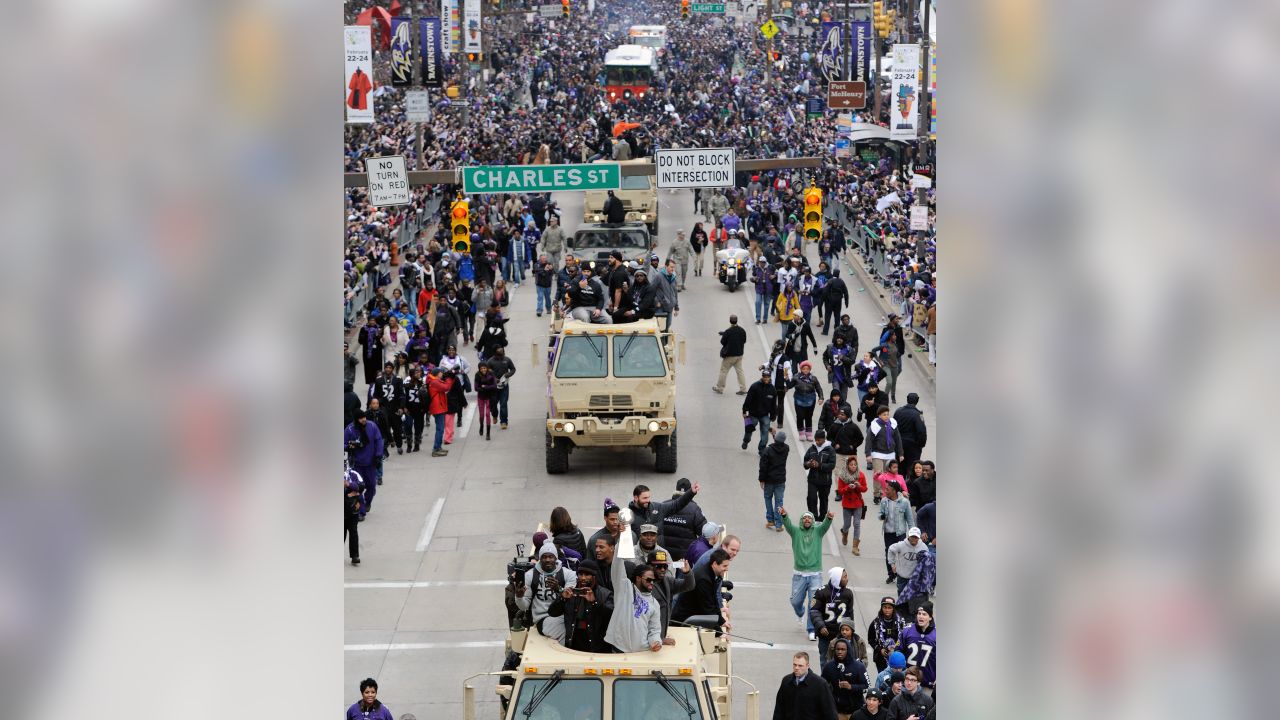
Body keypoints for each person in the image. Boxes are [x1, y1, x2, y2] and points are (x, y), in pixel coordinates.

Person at [780, 507, 834, 640]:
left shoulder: (818, 531)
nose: (807, 520)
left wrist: (829, 517)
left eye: (809, 518)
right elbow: (787, 524)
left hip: (815, 574)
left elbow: (826, 525)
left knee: (813, 602)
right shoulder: (795, 531)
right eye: (805, 518)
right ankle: (800, 613)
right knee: (795, 601)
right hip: (799, 575)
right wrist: (784, 515)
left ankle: (811, 629)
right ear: (801, 521)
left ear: (813, 520)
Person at [603, 542, 663, 653]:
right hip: (619, 650)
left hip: (642, 653)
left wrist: (655, 641)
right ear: (638, 578)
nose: (652, 583)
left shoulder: (655, 604)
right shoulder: (624, 589)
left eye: (653, 580)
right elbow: (617, 566)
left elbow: (654, 630)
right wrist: (621, 539)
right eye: (649, 580)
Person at [515, 541, 578, 643]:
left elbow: (572, 599)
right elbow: (524, 607)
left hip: (566, 616)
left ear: (556, 558)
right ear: (540, 559)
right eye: (544, 557)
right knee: (565, 632)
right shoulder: (530, 576)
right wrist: (519, 597)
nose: (548, 560)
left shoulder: (568, 574)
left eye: (551, 557)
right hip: (544, 618)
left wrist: (559, 589)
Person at [546, 559, 614, 653]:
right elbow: (552, 612)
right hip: (574, 645)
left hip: (598, 648)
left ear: (594, 576)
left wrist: (595, 602)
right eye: (580, 574)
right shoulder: (571, 592)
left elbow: (612, 617)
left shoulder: (605, 594)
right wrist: (563, 598)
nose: (583, 578)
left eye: (587, 575)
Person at [671, 547, 731, 628]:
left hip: (693, 615)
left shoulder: (711, 572)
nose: (727, 569)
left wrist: (721, 621)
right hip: (684, 620)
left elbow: (713, 600)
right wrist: (719, 631)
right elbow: (708, 608)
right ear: (715, 564)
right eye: (724, 566)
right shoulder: (704, 579)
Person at [628, 482, 699, 549]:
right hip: (640, 556)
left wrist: (691, 493)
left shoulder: (657, 508)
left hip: (659, 555)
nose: (648, 500)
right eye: (645, 498)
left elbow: (676, 505)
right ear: (636, 498)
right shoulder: (628, 515)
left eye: (649, 497)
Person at [772, 652, 838, 720]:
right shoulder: (786, 681)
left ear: (808, 665)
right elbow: (779, 709)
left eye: (800, 665)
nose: (796, 668)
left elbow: (830, 713)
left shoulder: (820, 684)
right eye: (794, 665)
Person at [808, 566, 854, 662]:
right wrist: (820, 626)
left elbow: (850, 614)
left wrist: (851, 631)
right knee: (825, 660)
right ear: (837, 579)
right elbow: (814, 611)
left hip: (842, 634)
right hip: (826, 634)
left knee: (843, 661)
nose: (847, 579)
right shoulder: (821, 592)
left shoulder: (848, 593)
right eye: (844, 577)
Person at [345, 410, 384, 520]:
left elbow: (379, 440)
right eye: (361, 418)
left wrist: (378, 455)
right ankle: (361, 512)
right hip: (356, 464)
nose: (364, 420)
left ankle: (367, 502)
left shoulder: (372, 426)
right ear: (356, 420)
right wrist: (348, 447)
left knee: (371, 486)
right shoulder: (349, 429)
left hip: (370, 463)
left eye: (364, 417)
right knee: (358, 488)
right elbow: (343, 443)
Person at [647, 550, 694, 640]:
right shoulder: (645, 585)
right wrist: (658, 639)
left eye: (665, 566)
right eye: (658, 566)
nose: (663, 569)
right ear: (649, 566)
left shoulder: (668, 581)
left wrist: (687, 573)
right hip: (651, 638)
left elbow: (689, 586)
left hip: (661, 635)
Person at [661, 478, 708, 561]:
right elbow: (704, 532)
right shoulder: (694, 509)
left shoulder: (664, 505)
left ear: (676, 489)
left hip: (664, 555)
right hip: (685, 558)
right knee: (683, 573)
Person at [820, 637, 868, 720]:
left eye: (843, 649)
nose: (839, 652)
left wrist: (851, 687)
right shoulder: (829, 666)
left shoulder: (859, 666)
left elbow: (866, 686)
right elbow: (822, 685)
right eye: (837, 649)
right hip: (837, 711)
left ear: (848, 650)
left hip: (856, 711)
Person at [878, 483, 915, 583]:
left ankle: (901, 574)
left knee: (901, 554)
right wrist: (881, 516)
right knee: (889, 552)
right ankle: (891, 574)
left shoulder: (904, 502)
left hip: (900, 533)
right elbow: (879, 513)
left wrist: (913, 534)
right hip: (888, 532)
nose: (885, 491)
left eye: (888, 489)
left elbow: (910, 519)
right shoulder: (884, 501)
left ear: (894, 491)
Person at [865, 407, 904, 498]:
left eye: (887, 414)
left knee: (889, 476)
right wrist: (868, 454)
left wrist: (901, 453)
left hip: (890, 454)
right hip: (878, 453)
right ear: (879, 415)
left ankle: (887, 493)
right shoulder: (875, 425)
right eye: (884, 415)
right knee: (879, 474)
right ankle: (877, 494)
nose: (886, 416)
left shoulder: (893, 424)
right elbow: (869, 440)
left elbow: (898, 439)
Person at [898, 603, 937, 689]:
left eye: (924, 614)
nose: (920, 616)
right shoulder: (907, 630)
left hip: (927, 682)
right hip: (908, 681)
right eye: (919, 613)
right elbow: (898, 651)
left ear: (930, 617)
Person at [758, 430, 790, 531]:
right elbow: (779, 443)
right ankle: (779, 524)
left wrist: (761, 479)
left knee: (768, 498)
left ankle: (770, 519)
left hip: (769, 480)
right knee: (779, 501)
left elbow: (763, 466)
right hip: (780, 480)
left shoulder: (767, 450)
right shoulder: (786, 449)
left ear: (775, 439)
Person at [835, 458, 868, 552]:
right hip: (847, 504)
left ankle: (855, 547)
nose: (853, 466)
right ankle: (844, 533)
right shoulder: (842, 476)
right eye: (851, 465)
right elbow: (840, 491)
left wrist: (859, 486)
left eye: (855, 464)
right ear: (847, 466)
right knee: (847, 524)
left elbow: (865, 489)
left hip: (857, 503)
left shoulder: (861, 475)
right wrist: (848, 487)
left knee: (857, 524)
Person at [868, 599, 909, 674]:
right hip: (881, 659)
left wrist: (895, 648)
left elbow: (905, 639)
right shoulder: (875, 623)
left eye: (889, 608)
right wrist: (880, 650)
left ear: (893, 609)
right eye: (885, 607)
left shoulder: (901, 623)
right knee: (883, 679)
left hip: (897, 658)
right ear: (881, 608)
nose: (887, 610)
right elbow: (871, 640)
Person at [742, 368, 777, 453]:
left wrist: (773, 415)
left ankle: (762, 449)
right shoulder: (754, 386)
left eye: (768, 376)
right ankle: (746, 441)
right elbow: (748, 399)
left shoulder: (772, 389)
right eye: (764, 376)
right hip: (753, 414)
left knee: (765, 433)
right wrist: (744, 411)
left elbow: (773, 404)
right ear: (762, 376)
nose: (766, 378)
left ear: (770, 377)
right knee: (748, 430)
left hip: (765, 415)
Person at [803, 430, 837, 518]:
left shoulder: (830, 450)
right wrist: (808, 464)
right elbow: (805, 461)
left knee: (823, 501)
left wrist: (819, 465)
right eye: (816, 440)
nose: (817, 442)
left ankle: (822, 519)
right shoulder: (812, 449)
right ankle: (813, 517)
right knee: (811, 499)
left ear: (824, 439)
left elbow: (831, 465)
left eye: (819, 440)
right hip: (812, 480)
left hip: (825, 481)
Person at [887, 528, 930, 596]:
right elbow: (891, 549)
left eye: (916, 537)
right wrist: (892, 564)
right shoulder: (901, 545)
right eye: (912, 536)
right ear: (908, 536)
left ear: (919, 538)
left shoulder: (923, 547)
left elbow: (927, 561)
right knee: (901, 595)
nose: (914, 539)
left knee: (913, 598)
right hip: (902, 577)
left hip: (915, 578)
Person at [893, 394, 928, 474]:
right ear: (917, 400)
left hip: (899, 444)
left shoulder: (898, 411)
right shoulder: (917, 414)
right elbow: (921, 432)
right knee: (911, 468)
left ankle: (900, 485)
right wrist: (921, 444)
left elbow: (893, 427)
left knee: (900, 467)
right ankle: (909, 486)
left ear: (907, 399)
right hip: (912, 446)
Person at [714, 315, 749, 395]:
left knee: (724, 371)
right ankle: (743, 388)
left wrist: (725, 335)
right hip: (739, 355)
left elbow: (722, 342)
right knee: (740, 372)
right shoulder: (742, 330)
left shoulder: (728, 331)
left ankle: (720, 388)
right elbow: (744, 340)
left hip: (729, 355)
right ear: (737, 321)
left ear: (730, 321)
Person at [792, 361, 824, 441]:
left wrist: (821, 398)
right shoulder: (796, 377)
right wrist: (785, 383)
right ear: (801, 369)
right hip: (799, 399)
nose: (805, 370)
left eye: (807, 369)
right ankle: (801, 433)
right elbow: (789, 385)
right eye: (804, 369)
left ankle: (809, 433)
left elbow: (819, 388)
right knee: (800, 416)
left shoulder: (813, 378)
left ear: (810, 369)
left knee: (808, 417)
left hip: (810, 400)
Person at [486, 345, 516, 429]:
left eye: (501, 348)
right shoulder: (490, 361)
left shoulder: (507, 360)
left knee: (503, 403)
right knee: (493, 403)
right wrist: (494, 379)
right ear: (495, 350)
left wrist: (507, 375)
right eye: (499, 348)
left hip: (504, 386)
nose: (501, 349)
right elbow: (486, 372)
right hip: (493, 387)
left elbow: (513, 369)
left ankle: (504, 421)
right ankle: (494, 415)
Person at [425, 367, 453, 457]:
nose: (442, 374)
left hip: (438, 407)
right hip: (438, 408)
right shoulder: (434, 382)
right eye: (441, 373)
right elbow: (446, 387)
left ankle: (438, 447)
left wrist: (448, 378)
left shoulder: (434, 381)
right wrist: (449, 378)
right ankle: (436, 449)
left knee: (440, 428)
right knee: (440, 429)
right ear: (437, 373)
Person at [473, 362, 499, 440]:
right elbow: (476, 388)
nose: (483, 370)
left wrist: (485, 387)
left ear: (487, 368)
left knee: (487, 414)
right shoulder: (477, 375)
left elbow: (494, 386)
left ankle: (488, 433)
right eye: (481, 368)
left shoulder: (491, 374)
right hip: (481, 397)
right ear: (479, 369)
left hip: (489, 397)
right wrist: (484, 388)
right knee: (481, 415)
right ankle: (481, 426)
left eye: (484, 368)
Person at [820, 270, 849, 336]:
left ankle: (825, 331)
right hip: (838, 301)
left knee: (827, 316)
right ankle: (837, 331)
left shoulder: (830, 281)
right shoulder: (841, 282)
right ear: (838, 274)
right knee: (837, 316)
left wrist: (822, 301)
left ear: (833, 274)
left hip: (829, 301)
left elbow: (825, 291)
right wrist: (846, 302)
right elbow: (846, 292)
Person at [344, 471, 363, 565]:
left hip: (352, 512)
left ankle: (355, 556)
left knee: (354, 533)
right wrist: (349, 495)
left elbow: (360, 487)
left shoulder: (353, 474)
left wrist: (349, 485)